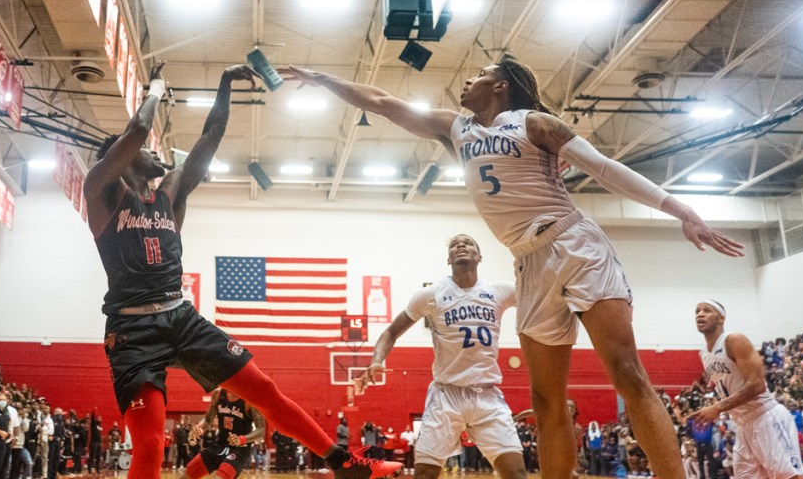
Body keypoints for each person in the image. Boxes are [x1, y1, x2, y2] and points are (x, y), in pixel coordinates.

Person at [281, 58, 745, 479]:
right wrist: (322, 78)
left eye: (477, 74)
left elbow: (603, 168)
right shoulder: (455, 129)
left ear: (500, 85)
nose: (466, 80)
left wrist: (679, 209)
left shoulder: (534, 122)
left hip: (574, 242)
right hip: (529, 261)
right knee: (545, 401)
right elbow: (382, 103)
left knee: (626, 371)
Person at [82, 61, 402, 479]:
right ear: (119, 157)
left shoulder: (170, 194)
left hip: (180, 316)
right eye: (143, 150)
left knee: (265, 391)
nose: (154, 151)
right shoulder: (101, 191)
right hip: (132, 331)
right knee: (149, 445)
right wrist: (156, 87)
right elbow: (138, 131)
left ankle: (344, 466)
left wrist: (224, 85)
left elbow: (211, 137)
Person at [357, 234, 526, 479]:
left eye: (468, 242)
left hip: (487, 395)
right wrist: (376, 360)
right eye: (455, 244)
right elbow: (390, 332)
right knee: (425, 474)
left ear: (479, 256)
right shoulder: (431, 294)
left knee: (516, 473)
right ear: (448, 259)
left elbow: (539, 297)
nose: (461, 245)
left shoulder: (500, 291)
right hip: (447, 395)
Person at [691, 299, 803, 479]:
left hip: (766, 417)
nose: (700, 314)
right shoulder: (703, 353)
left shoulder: (734, 340)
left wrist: (717, 408)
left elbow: (757, 385)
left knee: (789, 476)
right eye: (697, 311)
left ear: (721, 318)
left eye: (706, 310)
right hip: (743, 425)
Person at [185, 388, 265, 479]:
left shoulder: (250, 399)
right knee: (188, 473)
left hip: (240, 449)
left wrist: (241, 439)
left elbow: (261, 430)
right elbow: (207, 419)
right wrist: (199, 427)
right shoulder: (218, 394)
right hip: (219, 444)